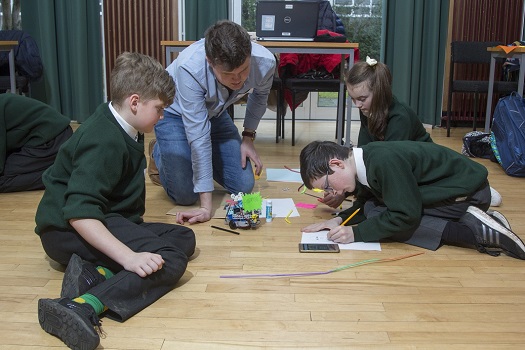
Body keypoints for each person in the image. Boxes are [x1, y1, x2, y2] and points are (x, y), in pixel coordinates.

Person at [35, 52, 196, 350]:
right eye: (159, 109)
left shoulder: (126, 125)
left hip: (105, 217)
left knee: (183, 238)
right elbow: (79, 214)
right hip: (67, 229)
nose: (162, 117)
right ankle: (83, 305)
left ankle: (95, 274)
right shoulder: (103, 139)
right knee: (172, 259)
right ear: (135, 102)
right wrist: (129, 258)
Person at [299, 140, 525, 260]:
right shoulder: (366, 159)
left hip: (469, 194)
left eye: (327, 186)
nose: (332, 192)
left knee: (382, 216)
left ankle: (477, 233)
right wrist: (341, 220)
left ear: (337, 164)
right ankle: (483, 223)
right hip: (461, 191)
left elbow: (405, 215)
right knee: (372, 207)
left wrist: (356, 233)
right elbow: (369, 199)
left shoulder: (383, 162)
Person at [152, 20, 276, 225]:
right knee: (185, 195)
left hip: (214, 115)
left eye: (243, 70)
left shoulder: (265, 61)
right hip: (174, 116)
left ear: (250, 55)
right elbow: (199, 135)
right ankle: (161, 151)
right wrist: (205, 207)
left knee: (244, 185)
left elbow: (260, 96)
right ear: (210, 61)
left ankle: (187, 157)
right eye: (228, 74)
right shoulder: (189, 67)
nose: (238, 80)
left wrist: (248, 137)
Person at [320, 56, 432, 209]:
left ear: (379, 92)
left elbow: (388, 167)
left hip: (424, 175)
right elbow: (363, 157)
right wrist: (344, 190)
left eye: (362, 98)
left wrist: (354, 194)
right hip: (397, 169)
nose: (357, 105)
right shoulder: (368, 109)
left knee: (376, 209)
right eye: (353, 99)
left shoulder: (400, 117)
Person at [0, 93, 73, 192]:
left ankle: (62, 176)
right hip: (47, 137)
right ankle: (62, 168)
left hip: (53, 138)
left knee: (3, 180)